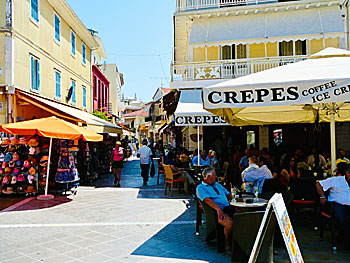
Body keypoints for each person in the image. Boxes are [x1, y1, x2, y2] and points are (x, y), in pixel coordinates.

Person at [196, 167, 234, 254]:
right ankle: (227, 244)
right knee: (229, 223)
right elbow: (207, 200)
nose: (216, 177)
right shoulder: (201, 187)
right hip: (217, 211)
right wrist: (218, 209)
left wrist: (235, 201)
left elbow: (228, 194)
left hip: (229, 207)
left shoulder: (217, 184)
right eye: (214, 175)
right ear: (208, 177)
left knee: (245, 216)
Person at [316, 165, 350, 248]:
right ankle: (347, 240)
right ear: (348, 173)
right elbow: (318, 185)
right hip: (336, 205)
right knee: (342, 217)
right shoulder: (336, 180)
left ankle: (342, 237)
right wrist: (322, 196)